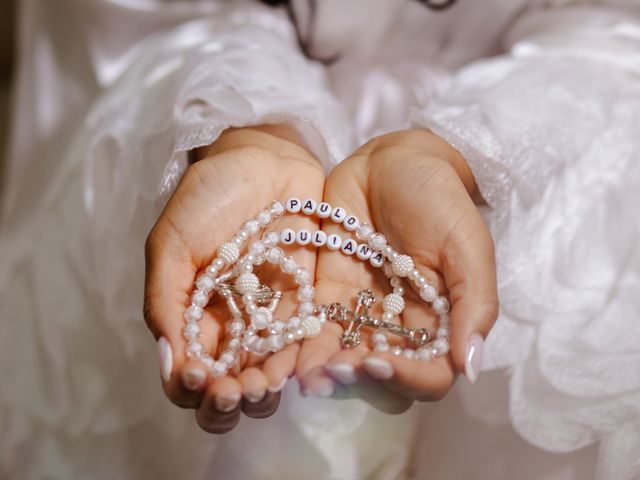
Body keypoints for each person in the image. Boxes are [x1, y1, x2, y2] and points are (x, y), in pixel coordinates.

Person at [1, 0, 639, 478]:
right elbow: (134, 24)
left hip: (526, 153)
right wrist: (248, 131)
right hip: (220, 98)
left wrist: (470, 151)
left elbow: (614, 37)